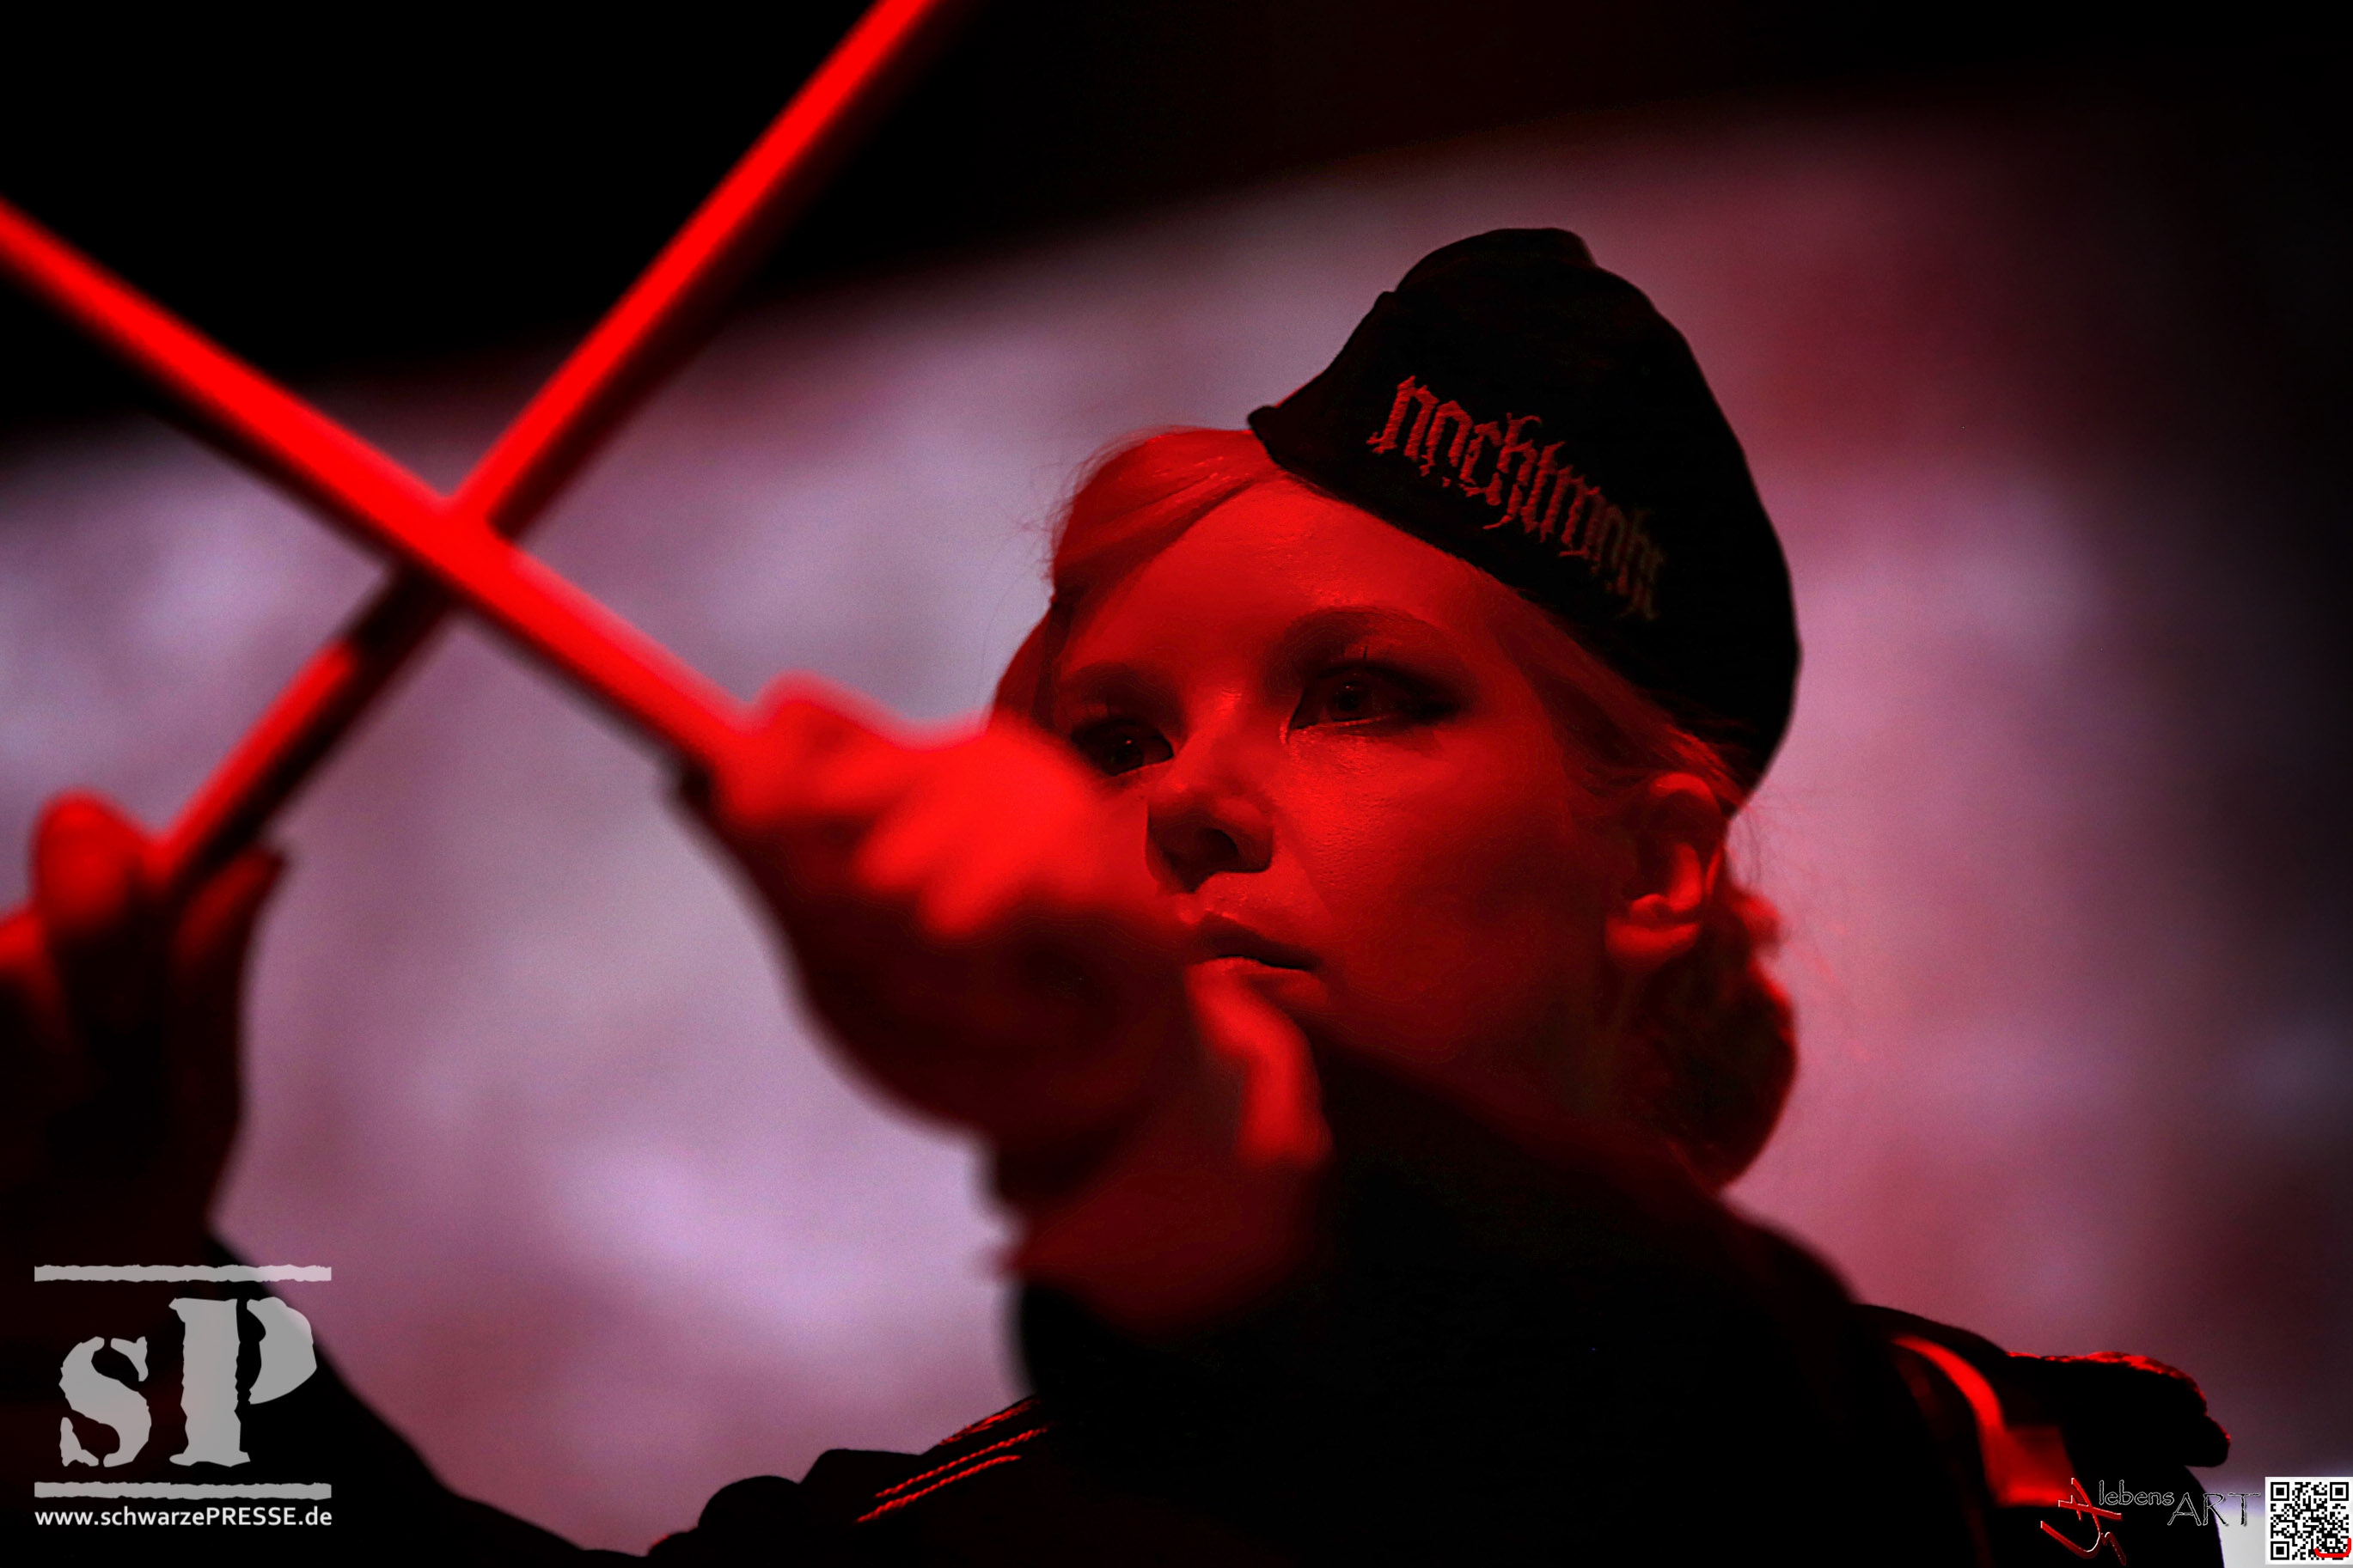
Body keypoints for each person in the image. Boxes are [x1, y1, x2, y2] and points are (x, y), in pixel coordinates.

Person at [3, 231, 2230, 1565]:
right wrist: (103, 1290)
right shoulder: (921, 1544)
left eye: (1357, 695)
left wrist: (1170, 1124)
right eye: (1111, 738)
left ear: (1655, 858)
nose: (1185, 805)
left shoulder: (2042, 1470)